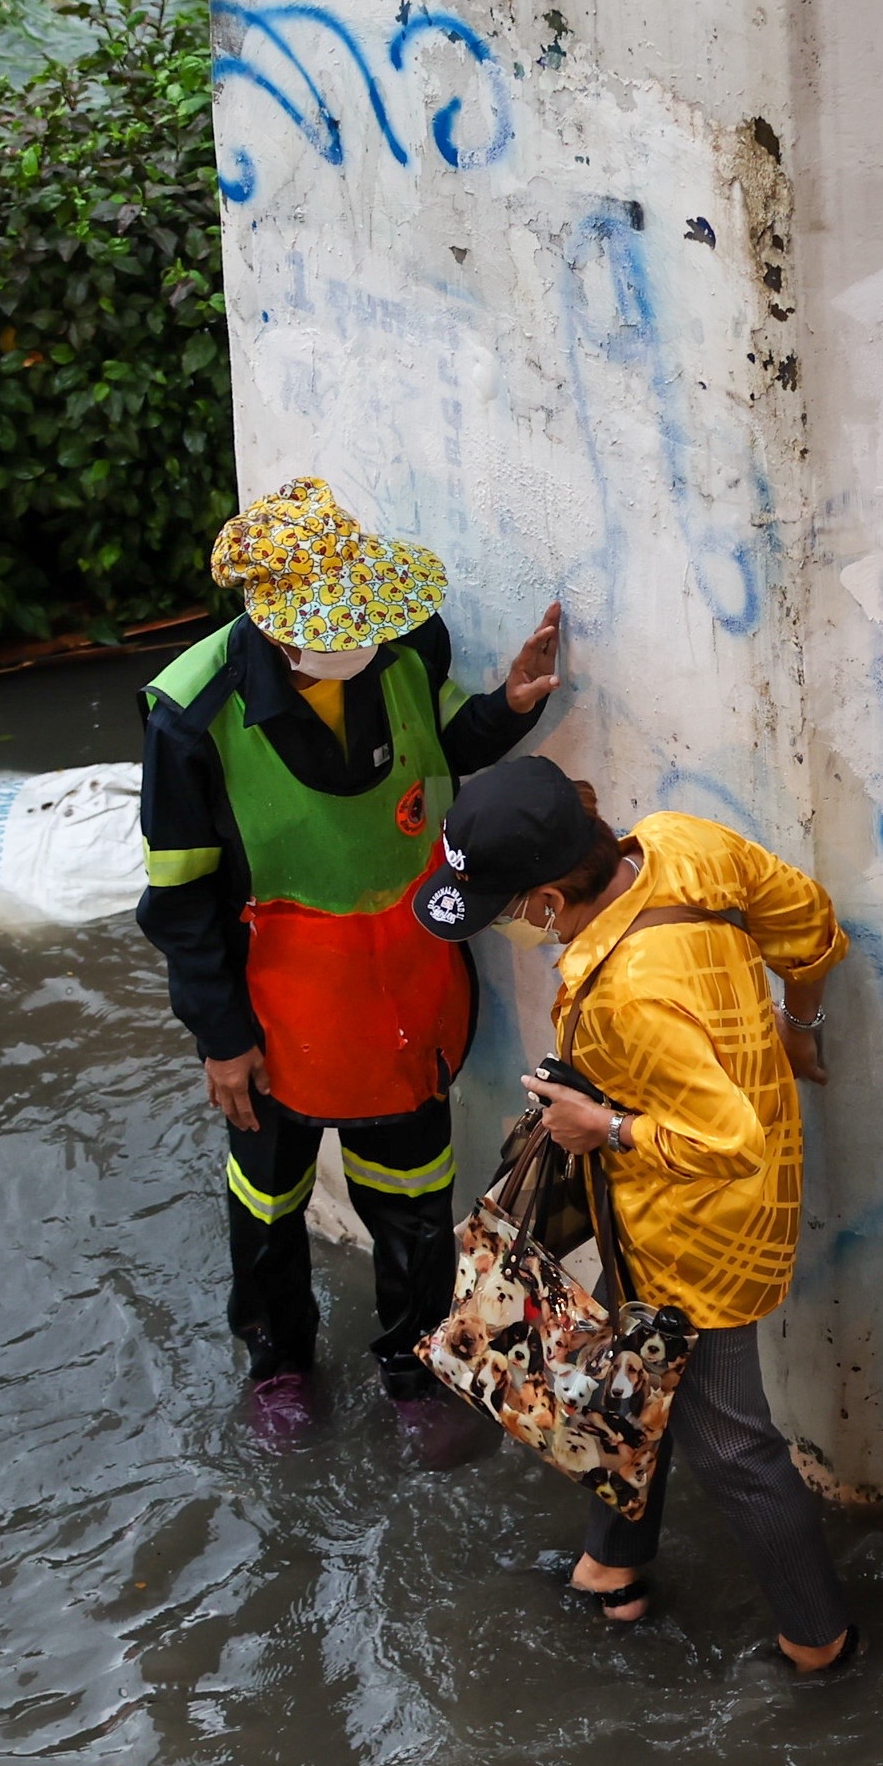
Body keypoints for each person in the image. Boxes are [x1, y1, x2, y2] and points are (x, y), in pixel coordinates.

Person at [136, 477, 565, 1460]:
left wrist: (508, 707)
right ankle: (279, 1360)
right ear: (275, 630)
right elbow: (181, 902)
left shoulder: (405, 648)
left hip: (409, 988)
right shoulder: (189, 720)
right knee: (268, 1194)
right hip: (274, 1002)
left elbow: (441, 746)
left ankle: (413, 1369)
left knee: (414, 1194)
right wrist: (223, 1038)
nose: (358, 644)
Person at [413, 756, 858, 1672]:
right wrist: (798, 1026)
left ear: (542, 901)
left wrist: (604, 1126)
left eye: (503, 906)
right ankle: (610, 1566)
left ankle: (818, 1640)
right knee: (629, 1372)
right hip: (668, 1206)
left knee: (729, 1442)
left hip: (697, 1233)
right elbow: (807, 920)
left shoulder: (631, 994)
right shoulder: (677, 844)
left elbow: (728, 1145)